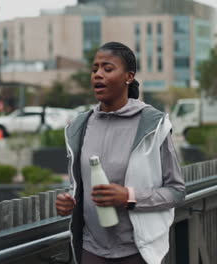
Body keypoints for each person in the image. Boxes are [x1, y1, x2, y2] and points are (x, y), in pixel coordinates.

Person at [56, 42, 186, 264]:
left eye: (107, 69)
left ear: (128, 76)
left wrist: (129, 197)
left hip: (138, 252)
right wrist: (67, 201)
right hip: (91, 251)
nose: (98, 75)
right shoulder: (80, 125)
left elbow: (176, 191)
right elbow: (78, 185)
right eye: (95, 69)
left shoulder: (152, 124)